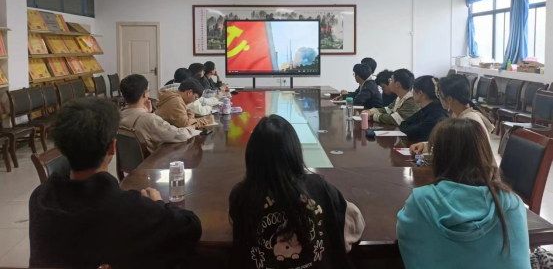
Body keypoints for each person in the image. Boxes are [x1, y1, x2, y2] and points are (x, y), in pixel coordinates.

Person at [29, 98, 202, 269]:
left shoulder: (40, 197)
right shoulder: (132, 209)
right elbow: (191, 226)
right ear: (113, 147)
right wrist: (158, 203)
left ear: (62, 149)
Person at [229, 115, 365, 268]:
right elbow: (355, 222)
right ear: (294, 152)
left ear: (251, 156)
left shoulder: (241, 195)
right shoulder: (318, 187)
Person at [397, 118, 530, 269]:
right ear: (485, 153)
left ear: (438, 156)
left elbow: (406, 238)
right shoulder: (512, 203)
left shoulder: (420, 202)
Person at [410, 74, 494, 154]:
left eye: (439, 94)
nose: (438, 98)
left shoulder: (469, 120)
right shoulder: (458, 114)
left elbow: (456, 151)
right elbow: (449, 143)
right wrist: (425, 146)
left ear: (449, 99)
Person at [120, 74, 200, 152]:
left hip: (131, 159)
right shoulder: (150, 120)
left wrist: (148, 113)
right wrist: (190, 128)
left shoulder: (120, 115)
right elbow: (178, 135)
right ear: (144, 94)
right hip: (154, 159)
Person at [399, 75, 449, 142]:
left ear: (420, 93)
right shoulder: (427, 108)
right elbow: (404, 123)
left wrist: (411, 126)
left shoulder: (436, 113)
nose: (411, 93)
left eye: (413, 90)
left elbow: (412, 133)